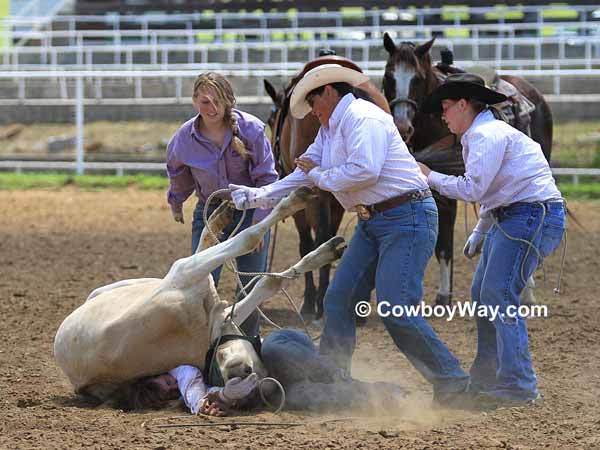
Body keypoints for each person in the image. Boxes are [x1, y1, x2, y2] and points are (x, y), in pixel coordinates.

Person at [229, 64, 470, 406]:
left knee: (395, 308)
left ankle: (453, 381)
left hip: (407, 217)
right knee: (338, 299)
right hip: (378, 220)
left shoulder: (363, 118)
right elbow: (304, 173)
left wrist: (323, 176)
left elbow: (364, 171)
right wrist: (258, 196)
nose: (313, 111)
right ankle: (333, 379)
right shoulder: (330, 129)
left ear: (329, 91)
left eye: (314, 102)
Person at [418, 73, 566, 407]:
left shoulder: (484, 135)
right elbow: (495, 189)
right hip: (523, 215)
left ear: (463, 104)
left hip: (529, 215)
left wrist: (430, 176)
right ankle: (490, 375)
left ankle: (518, 384)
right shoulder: (481, 134)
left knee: (497, 293)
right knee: (485, 292)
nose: (443, 115)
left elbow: (474, 189)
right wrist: (481, 229)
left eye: (445, 107)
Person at [166, 72, 279, 336]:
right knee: (201, 285)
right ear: (195, 101)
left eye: (218, 101)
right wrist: (176, 201)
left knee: (250, 286)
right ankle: (203, 346)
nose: (212, 108)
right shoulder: (183, 138)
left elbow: (268, 178)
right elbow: (177, 172)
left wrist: (261, 223)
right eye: (205, 102)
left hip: (250, 212)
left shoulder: (252, 129)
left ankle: (250, 342)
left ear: (229, 101)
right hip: (209, 214)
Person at [124, 365, 258, 415]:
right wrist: (224, 397)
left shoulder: (180, 371)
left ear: (157, 373)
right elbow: (208, 391)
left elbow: (191, 384)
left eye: (168, 382)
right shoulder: (180, 399)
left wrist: (200, 405)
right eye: (171, 393)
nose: (176, 386)